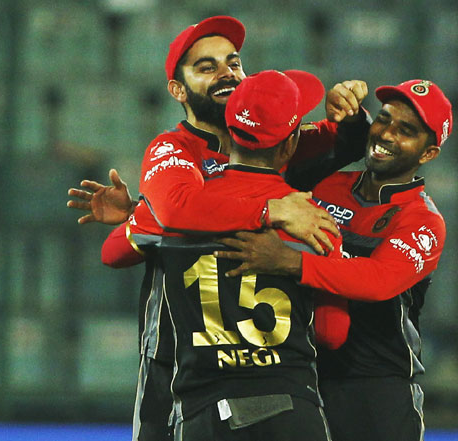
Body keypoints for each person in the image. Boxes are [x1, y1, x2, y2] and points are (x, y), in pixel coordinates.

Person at [66, 15, 369, 441]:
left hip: (253, 364)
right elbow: (170, 214)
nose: (226, 73)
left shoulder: (275, 142)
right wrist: (273, 210)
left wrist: (352, 113)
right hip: (173, 358)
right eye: (206, 67)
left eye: (234, 62)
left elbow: (346, 142)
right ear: (178, 89)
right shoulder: (173, 148)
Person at [117, 69, 350, 441]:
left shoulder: (180, 208)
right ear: (291, 145)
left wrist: (131, 210)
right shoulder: (312, 220)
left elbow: (113, 251)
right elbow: (331, 333)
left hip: (201, 411)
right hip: (292, 409)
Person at [214, 79, 453, 441]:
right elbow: (256, 172)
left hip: (375, 389)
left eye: (406, 131)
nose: (386, 134)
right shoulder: (327, 183)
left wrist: (291, 263)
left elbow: (377, 281)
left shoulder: (423, 220)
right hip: (303, 375)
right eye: (384, 119)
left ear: (428, 153)